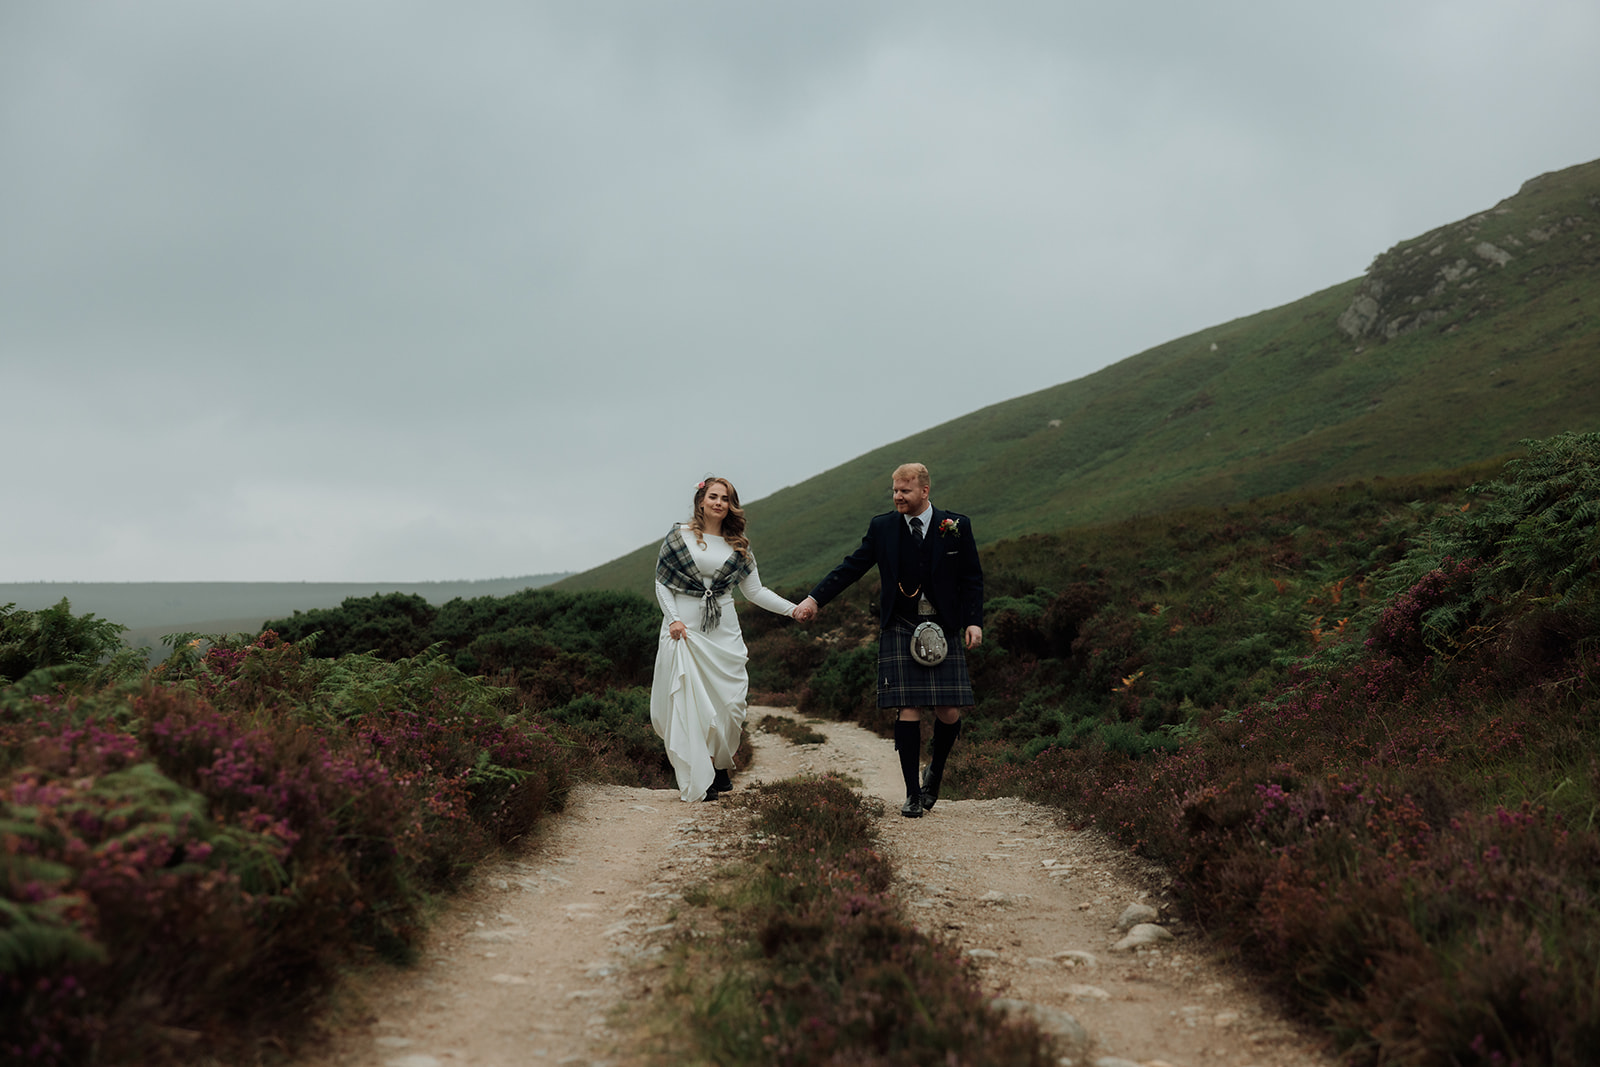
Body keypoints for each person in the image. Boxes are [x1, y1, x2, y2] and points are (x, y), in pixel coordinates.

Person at [793, 462, 983, 818]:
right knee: (908, 707)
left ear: (924, 491)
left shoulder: (955, 526)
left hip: (944, 624)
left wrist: (974, 622)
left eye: (905, 491)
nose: (897, 496)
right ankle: (912, 792)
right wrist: (814, 599)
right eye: (894, 490)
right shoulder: (882, 528)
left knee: (949, 711)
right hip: (901, 623)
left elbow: (972, 577)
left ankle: (935, 772)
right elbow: (851, 567)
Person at [651, 476, 798, 803]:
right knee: (691, 703)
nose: (719, 502)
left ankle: (720, 764)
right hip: (685, 631)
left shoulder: (739, 546)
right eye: (714, 496)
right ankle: (702, 776)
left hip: (723, 630)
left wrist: (793, 610)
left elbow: (755, 592)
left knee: (730, 705)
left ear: (732, 505)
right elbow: (663, 584)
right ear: (701, 500)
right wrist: (673, 619)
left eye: (726, 498)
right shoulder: (679, 536)